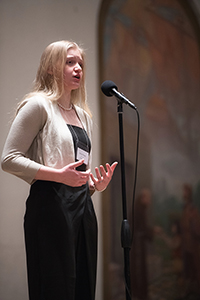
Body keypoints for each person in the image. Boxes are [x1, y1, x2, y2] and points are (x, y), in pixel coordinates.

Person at [1, 40, 118, 300]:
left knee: (83, 286)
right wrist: (59, 176)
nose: (78, 68)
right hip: (50, 207)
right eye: (70, 62)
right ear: (52, 68)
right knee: (56, 288)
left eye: (81, 64)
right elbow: (8, 158)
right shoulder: (38, 106)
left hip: (82, 207)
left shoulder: (83, 115)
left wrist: (93, 186)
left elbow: (75, 171)